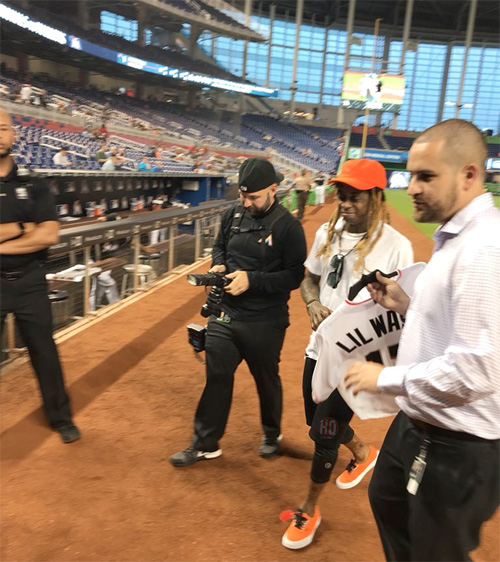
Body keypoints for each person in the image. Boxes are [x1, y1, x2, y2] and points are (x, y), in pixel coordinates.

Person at [344, 119, 500, 561]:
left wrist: (388, 378)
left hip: (458, 445)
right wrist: (405, 304)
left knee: (437, 551)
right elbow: (451, 322)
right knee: (387, 501)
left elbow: (477, 368)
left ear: (469, 175)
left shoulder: (484, 249)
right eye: (410, 174)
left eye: (425, 176)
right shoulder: (456, 238)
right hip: (418, 427)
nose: (411, 187)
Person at [282, 158, 414, 549]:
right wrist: (310, 304)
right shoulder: (326, 232)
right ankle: (360, 449)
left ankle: (309, 509)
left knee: (324, 432)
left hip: (360, 357)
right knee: (315, 421)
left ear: (376, 196)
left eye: (354, 196)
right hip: (319, 346)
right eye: (341, 195)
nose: (345, 203)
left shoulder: (397, 247)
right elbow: (310, 279)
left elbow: (408, 311)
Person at [170, 157, 307, 467]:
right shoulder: (232, 215)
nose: (246, 203)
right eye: (242, 196)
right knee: (217, 375)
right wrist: (218, 264)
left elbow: (294, 276)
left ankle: (272, 435)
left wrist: (252, 279)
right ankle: (205, 442)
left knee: (265, 379)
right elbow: (219, 247)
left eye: (253, 197)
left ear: (274, 189)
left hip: (265, 321)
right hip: (226, 314)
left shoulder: (288, 226)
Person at [0, 109, 81, 443]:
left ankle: (61, 418)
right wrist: (22, 227)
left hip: (31, 280)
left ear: (14, 134)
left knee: (44, 353)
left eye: (2, 128)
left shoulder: (33, 183)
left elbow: (48, 235)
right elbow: (35, 231)